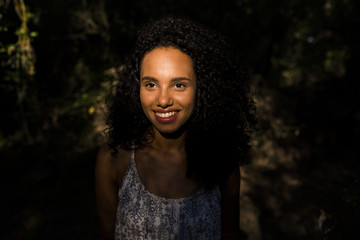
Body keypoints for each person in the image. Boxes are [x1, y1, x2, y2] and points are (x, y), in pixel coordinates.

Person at [95, 16, 255, 240]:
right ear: (136, 87)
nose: (162, 100)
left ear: (203, 87)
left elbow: (230, 234)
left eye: (179, 85)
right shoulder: (114, 159)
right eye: (151, 84)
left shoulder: (222, 162)